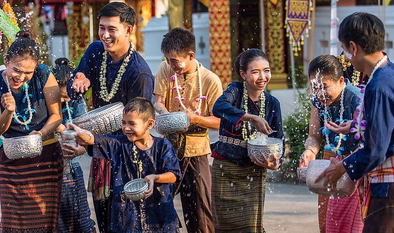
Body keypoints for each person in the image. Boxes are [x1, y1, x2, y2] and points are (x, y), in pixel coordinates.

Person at [67, 1, 154, 233]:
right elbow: (73, 84)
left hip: (127, 158)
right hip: (100, 156)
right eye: (101, 27)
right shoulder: (96, 51)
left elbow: (138, 130)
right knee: (104, 221)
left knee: (129, 223)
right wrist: (79, 79)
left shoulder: (140, 73)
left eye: (111, 29)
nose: (105, 35)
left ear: (128, 30)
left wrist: (89, 146)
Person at [317, 12, 394, 232]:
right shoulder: (388, 74)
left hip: (387, 185)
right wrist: (354, 125)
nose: (346, 57)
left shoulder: (378, 85)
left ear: (353, 47)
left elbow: (376, 149)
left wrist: (343, 167)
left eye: (344, 50)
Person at [0, 30, 63, 231]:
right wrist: (8, 112)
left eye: (28, 73)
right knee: (13, 220)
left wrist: (40, 134)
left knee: (44, 219)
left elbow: (57, 116)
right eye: (16, 70)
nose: (21, 77)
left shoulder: (44, 74)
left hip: (45, 156)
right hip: (12, 160)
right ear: (6, 60)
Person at [67, 97, 182, 232]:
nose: (126, 128)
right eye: (123, 123)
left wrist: (155, 178)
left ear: (150, 124)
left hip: (159, 214)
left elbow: (174, 175)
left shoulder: (162, 146)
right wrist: (78, 132)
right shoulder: (118, 144)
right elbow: (92, 139)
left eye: (132, 124)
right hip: (126, 215)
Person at [154, 27, 223, 232]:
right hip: (167, 148)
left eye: (175, 60)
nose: (170, 64)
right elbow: (158, 101)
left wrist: (196, 119)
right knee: (157, 202)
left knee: (200, 210)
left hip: (197, 150)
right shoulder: (164, 69)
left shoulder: (210, 80)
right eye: (167, 59)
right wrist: (167, 114)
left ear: (191, 55)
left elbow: (220, 122)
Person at [211, 48, 284, 232]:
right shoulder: (235, 90)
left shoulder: (272, 102)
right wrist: (251, 117)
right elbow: (218, 108)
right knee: (224, 226)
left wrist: (275, 162)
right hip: (225, 168)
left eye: (266, 70)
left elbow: (278, 139)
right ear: (243, 74)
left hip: (254, 170)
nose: (262, 76)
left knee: (251, 227)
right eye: (255, 71)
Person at [299, 54, 363, 233]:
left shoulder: (357, 100)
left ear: (341, 80)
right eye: (314, 87)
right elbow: (314, 136)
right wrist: (310, 152)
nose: (319, 92)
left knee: (354, 226)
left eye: (324, 86)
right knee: (329, 224)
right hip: (329, 165)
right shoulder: (318, 102)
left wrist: (346, 166)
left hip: (356, 166)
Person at [52, 57, 96, 233]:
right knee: (56, 217)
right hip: (51, 167)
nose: (66, 98)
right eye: (62, 95)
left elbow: (86, 134)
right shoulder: (44, 102)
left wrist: (80, 149)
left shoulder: (76, 101)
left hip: (72, 165)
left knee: (78, 214)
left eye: (69, 94)